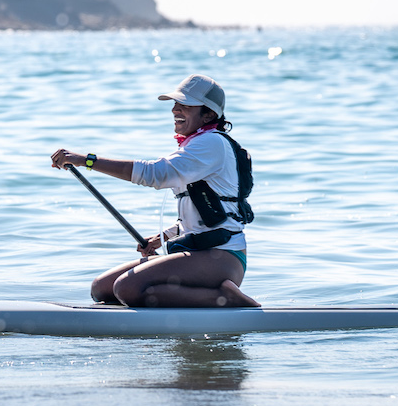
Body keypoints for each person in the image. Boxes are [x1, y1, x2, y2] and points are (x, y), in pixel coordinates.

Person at [50, 74, 260, 308]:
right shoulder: (196, 145)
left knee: (126, 289)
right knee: (101, 288)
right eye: (175, 104)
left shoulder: (211, 143)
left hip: (222, 257)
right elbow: (208, 213)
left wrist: (87, 160)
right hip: (199, 252)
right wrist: (164, 237)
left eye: (185, 105)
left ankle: (225, 298)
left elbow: (155, 174)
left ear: (209, 114)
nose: (175, 110)